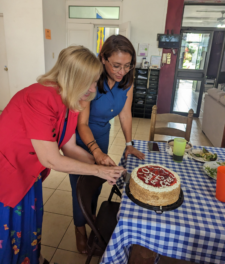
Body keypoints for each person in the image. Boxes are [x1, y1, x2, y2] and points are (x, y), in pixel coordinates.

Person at [0, 46, 124, 264]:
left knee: (31, 226)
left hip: (29, 174)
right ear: (74, 77)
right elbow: (51, 159)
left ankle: (33, 259)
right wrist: (99, 170)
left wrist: (100, 160)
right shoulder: (39, 98)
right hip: (8, 174)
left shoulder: (70, 100)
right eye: (92, 81)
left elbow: (69, 148)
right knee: (10, 234)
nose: (94, 88)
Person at [69, 35, 145, 254]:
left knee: (98, 182)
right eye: (116, 65)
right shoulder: (91, 80)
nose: (122, 71)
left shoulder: (126, 80)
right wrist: (96, 151)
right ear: (103, 58)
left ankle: (91, 217)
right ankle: (80, 229)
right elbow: (82, 123)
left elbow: (125, 114)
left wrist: (129, 143)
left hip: (102, 133)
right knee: (81, 185)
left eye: (127, 65)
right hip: (83, 138)